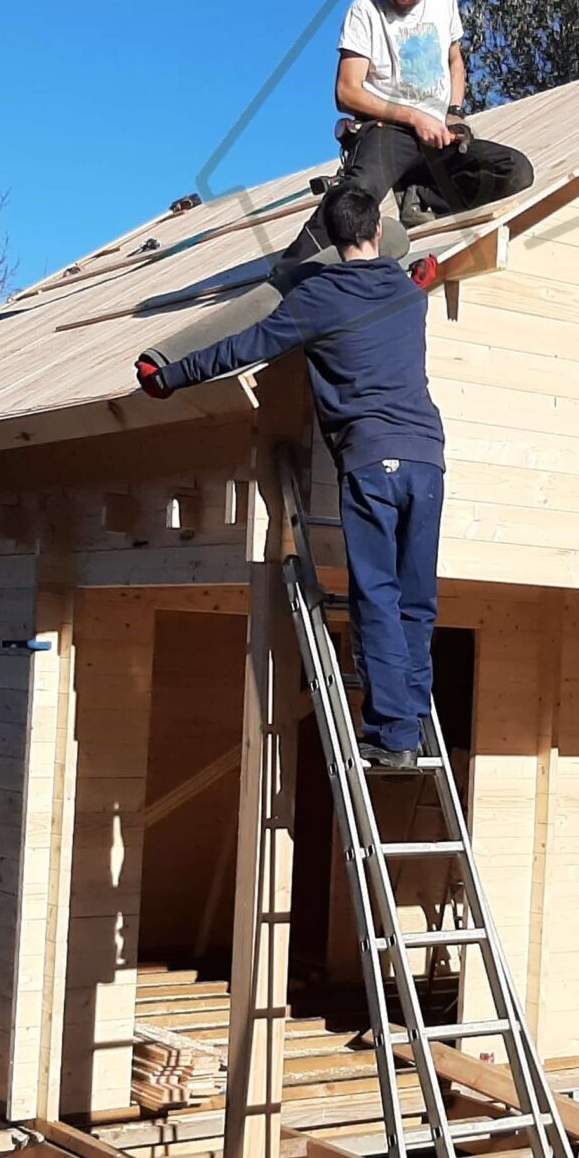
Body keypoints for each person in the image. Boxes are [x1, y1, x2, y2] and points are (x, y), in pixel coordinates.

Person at [137, 184, 444, 771]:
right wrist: (421, 276)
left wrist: (170, 376)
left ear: (328, 238)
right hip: (427, 461)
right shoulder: (409, 295)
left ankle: (394, 737)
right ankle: (411, 721)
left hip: (372, 461)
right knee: (417, 601)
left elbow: (243, 347)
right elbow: (412, 283)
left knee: (377, 596)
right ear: (378, 234)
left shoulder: (318, 298)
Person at [278, 0, 532, 265]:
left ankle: (422, 198)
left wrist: (454, 112)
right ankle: (291, 271)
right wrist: (413, 116)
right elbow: (346, 91)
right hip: (388, 130)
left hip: (439, 133)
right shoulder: (365, 10)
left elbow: (455, 60)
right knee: (357, 193)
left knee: (514, 170)